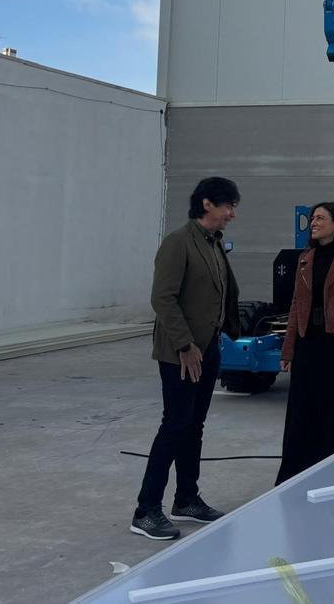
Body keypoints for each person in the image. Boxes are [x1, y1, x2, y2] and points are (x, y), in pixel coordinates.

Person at [130, 177, 243, 541]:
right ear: (207, 204)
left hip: (207, 348)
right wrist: (185, 345)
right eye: (228, 206)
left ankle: (187, 498)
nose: (232, 214)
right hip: (181, 353)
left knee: (194, 426)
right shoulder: (178, 243)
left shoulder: (213, 244)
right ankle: (146, 510)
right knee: (175, 425)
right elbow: (163, 298)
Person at [275, 201, 334, 484]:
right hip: (308, 346)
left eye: (320, 218)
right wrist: (289, 348)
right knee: (302, 413)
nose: (313, 223)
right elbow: (295, 307)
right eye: (312, 218)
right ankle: (293, 477)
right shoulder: (306, 258)